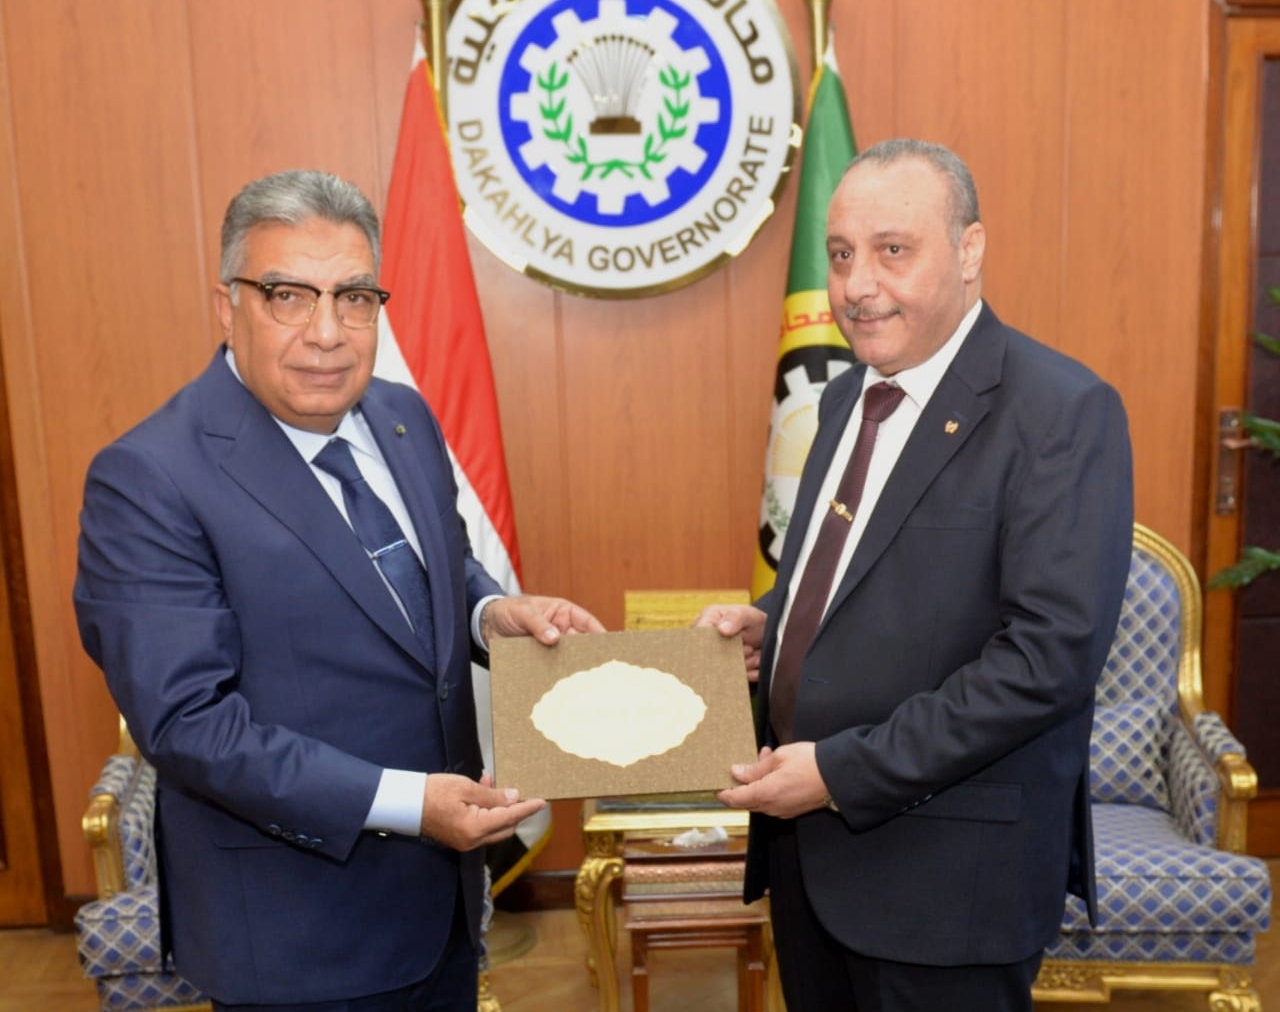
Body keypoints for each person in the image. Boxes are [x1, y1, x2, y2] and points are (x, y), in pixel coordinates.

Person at [74, 169, 603, 1012]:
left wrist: (486, 611)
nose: (327, 332)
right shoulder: (149, 477)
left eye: (354, 297)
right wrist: (409, 803)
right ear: (227, 306)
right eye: (288, 295)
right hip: (296, 937)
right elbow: (188, 722)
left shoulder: (403, 416)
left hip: (442, 910)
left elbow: (433, 565)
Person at [697, 139, 1133, 1012]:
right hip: (809, 862)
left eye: (892, 250)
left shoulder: (1061, 411)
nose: (858, 284)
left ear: (970, 250)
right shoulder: (843, 396)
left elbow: (1045, 661)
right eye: (840, 254)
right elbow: (870, 568)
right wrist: (777, 622)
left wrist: (841, 772)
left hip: (947, 884)